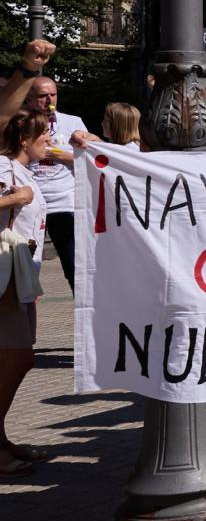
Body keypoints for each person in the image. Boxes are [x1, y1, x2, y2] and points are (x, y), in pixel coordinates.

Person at [1, 111, 48, 476]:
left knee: (19, 358)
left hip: (22, 275)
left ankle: (0, 439)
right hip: (5, 276)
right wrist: (18, 196)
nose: (48, 141)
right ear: (23, 140)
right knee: (16, 357)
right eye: (43, 135)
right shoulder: (4, 167)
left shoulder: (27, 171)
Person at [18, 76, 86, 290]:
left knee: (75, 267)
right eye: (42, 96)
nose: (49, 100)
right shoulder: (18, 123)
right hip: (30, 203)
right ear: (28, 99)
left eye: (53, 94)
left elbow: (88, 161)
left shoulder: (73, 123)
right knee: (24, 268)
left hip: (65, 203)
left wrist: (60, 156)